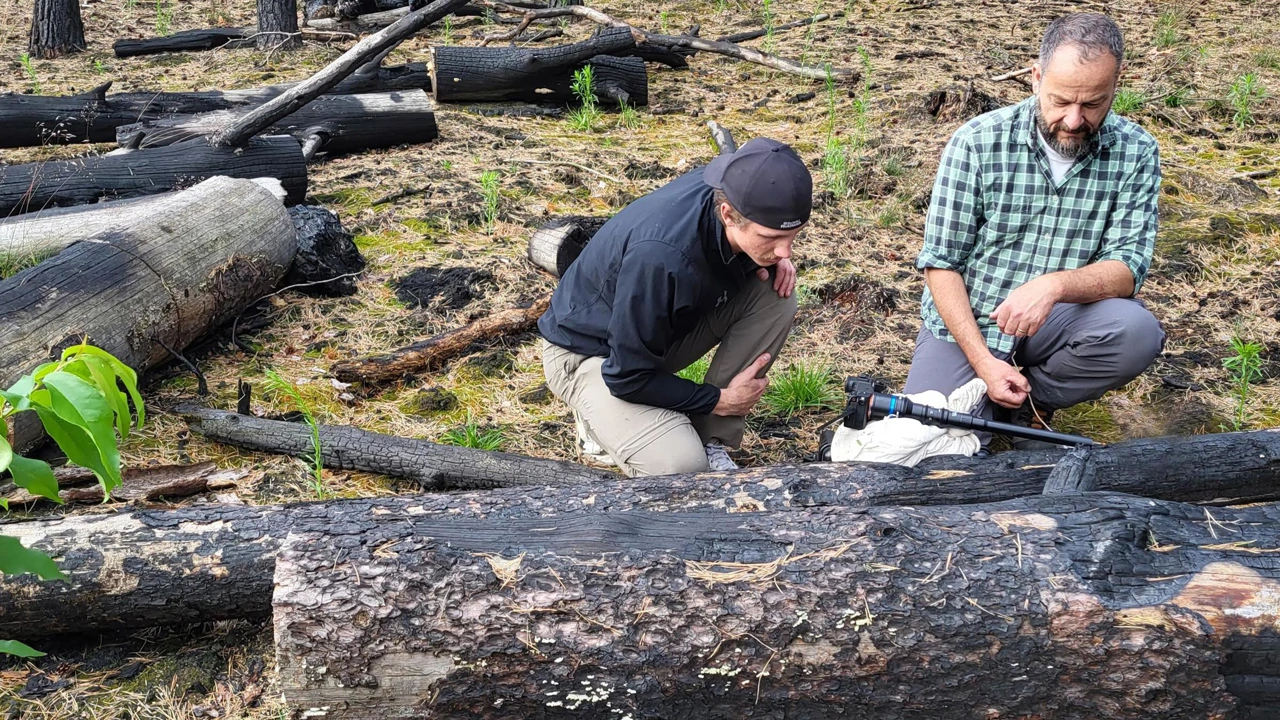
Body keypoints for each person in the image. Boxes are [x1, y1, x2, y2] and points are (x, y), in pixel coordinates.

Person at [905, 12, 1165, 450]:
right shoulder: (977, 142)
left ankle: (1032, 401)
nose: (1074, 119)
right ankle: (990, 389)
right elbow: (941, 265)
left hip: (1059, 318)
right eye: (1061, 100)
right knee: (930, 443)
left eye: (1093, 103)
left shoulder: (1136, 151)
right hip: (972, 321)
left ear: (1117, 83)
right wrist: (984, 363)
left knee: (1135, 332)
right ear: (1035, 77)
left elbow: (1127, 268)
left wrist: (1053, 286)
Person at [538, 138, 812, 477]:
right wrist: (719, 399)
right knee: (682, 469)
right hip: (591, 355)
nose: (786, 251)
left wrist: (770, 259)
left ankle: (711, 434)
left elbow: (755, 249)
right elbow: (627, 376)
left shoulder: (735, 188)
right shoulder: (661, 257)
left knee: (775, 293)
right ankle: (596, 421)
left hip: (652, 335)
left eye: (793, 237)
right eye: (771, 238)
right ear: (728, 214)